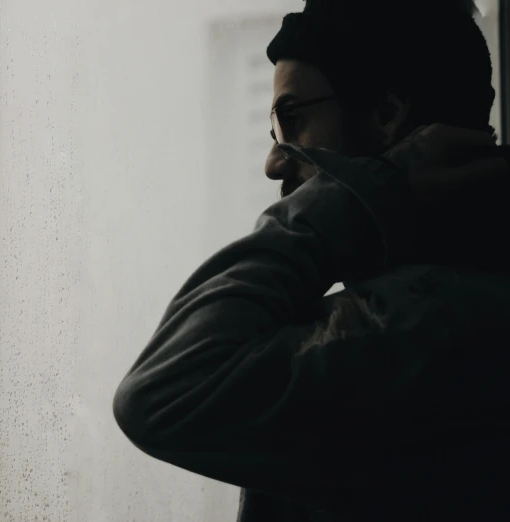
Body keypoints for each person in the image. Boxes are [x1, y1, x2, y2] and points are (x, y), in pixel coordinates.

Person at [113, 0, 510, 520]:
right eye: (275, 132)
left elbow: (162, 393)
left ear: (388, 114)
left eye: (294, 120)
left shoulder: (432, 323)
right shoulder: (440, 295)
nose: (275, 160)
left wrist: (366, 196)